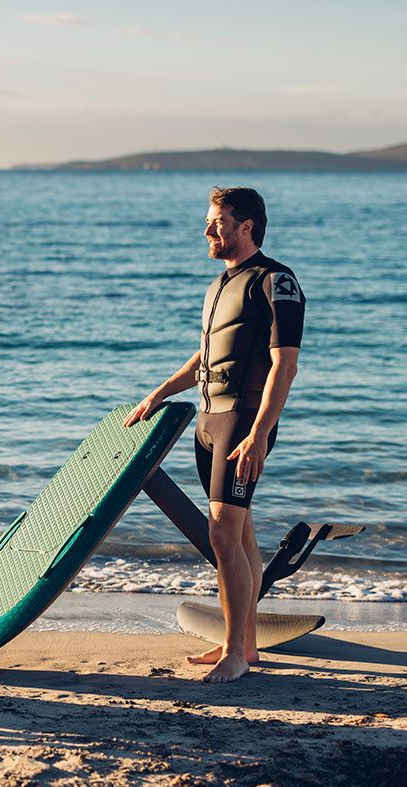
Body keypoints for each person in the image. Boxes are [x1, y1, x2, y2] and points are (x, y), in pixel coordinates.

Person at [124, 187, 304, 683]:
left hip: (243, 421)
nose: (208, 230)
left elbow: (284, 365)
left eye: (218, 221)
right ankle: (245, 646)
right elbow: (208, 356)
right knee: (238, 533)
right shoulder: (220, 285)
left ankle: (235, 654)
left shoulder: (276, 281)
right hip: (208, 420)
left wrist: (259, 434)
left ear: (246, 226)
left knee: (223, 533)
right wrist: (160, 391)